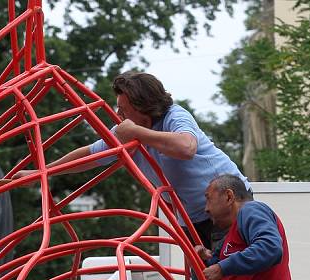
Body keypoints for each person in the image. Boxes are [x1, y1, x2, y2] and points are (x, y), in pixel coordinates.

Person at [13, 72, 250, 248]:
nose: (119, 116)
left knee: (232, 274)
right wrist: (41, 173)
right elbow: (90, 156)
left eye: (123, 109)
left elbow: (186, 147)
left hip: (229, 203)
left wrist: (137, 133)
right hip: (193, 217)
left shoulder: (174, 116)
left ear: (142, 106)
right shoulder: (127, 131)